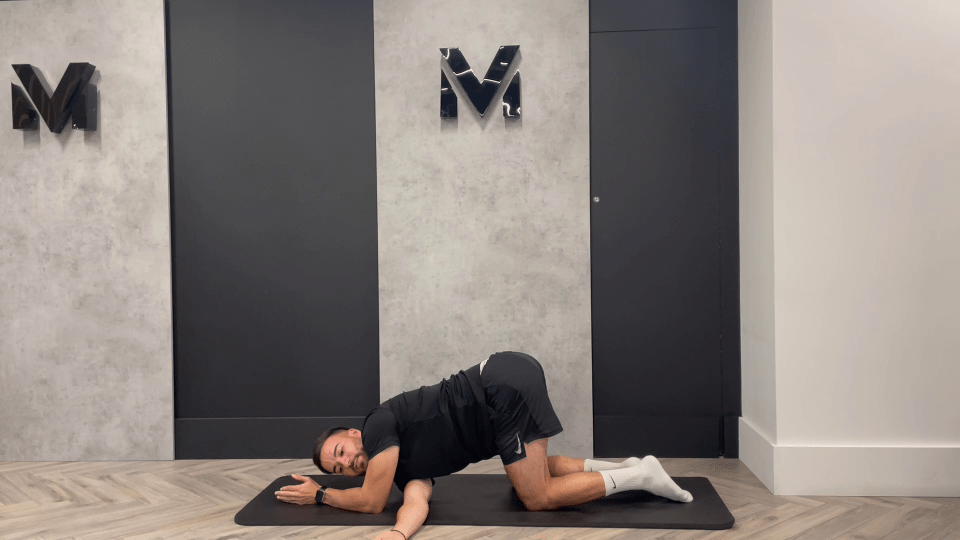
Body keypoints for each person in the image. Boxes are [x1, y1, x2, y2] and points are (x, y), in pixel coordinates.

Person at [275, 351, 693, 540]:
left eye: (341, 453)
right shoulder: (397, 465)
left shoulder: (377, 425)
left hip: (498, 389)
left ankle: (641, 475)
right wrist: (399, 534)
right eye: (338, 470)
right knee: (537, 471)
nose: (347, 464)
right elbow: (415, 501)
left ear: (351, 434)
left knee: (536, 496)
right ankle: (628, 465)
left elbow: (369, 502)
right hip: (505, 380)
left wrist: (322, 494)